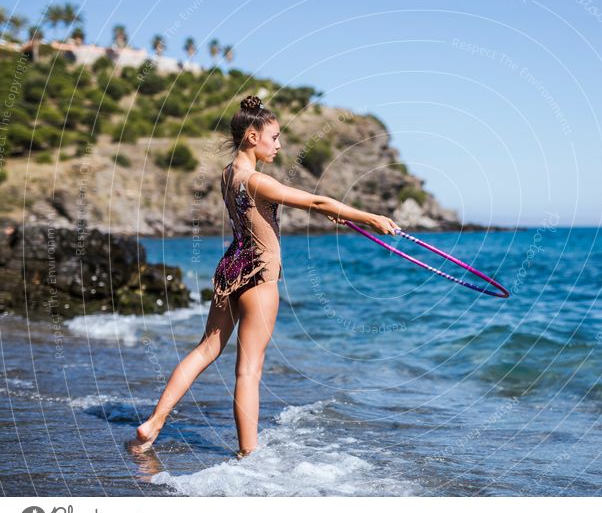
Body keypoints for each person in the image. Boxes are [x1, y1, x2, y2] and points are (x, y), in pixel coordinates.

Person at [128, 95, 400, 459]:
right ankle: (247, 455)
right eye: (275, 137)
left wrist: (333, 215)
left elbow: (267, 214)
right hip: (258, 276)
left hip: (229, 269)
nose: (280, 144)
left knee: (206, 349)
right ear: (253, 137)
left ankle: (154, 421)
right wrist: (371, 217)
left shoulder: (229, 175)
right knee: (248, 370)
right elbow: (317, 202)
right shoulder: (257, 181)